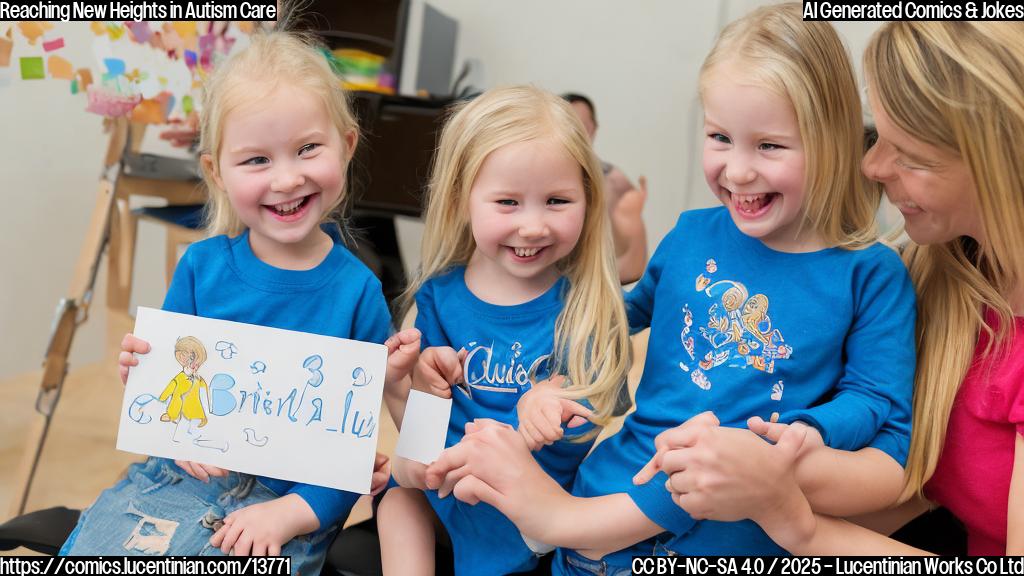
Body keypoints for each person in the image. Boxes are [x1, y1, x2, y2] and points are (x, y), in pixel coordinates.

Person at [422, 4, 917, 572]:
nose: (737, 171)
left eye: (769, 146)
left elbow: (877, 402)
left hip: (728, 535)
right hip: (602, 509)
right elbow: (613, 319)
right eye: (719, 137)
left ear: (832, 140)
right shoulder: (690, 234)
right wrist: (554, 384)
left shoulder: (871, 273)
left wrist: (810, 430)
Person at [647, 20, 1024, 556]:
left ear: (999, 166)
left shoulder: (877, 275)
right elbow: (917, 486)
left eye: (909, 155)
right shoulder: (937, 269)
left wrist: (789, 516)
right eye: (878, 137)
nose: (869, 167)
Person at [59, 30, 420, 574]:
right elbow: (169, 391)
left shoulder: (359, 291)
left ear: (346, 147)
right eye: (256, 160)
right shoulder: (200, 268)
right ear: (217, 173)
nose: (286, 177)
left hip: (285, 507)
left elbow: (347, 454)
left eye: (307, 149)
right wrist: (143, 376)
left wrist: (292, 514)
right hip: (174, 481)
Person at [376, 85, 632, 576]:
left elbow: (592, 419)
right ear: (462, 200)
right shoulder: (438, 298)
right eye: (508, 202)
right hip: (447, 492)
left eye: (557, 201)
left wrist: (553, 404)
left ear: (587, 198)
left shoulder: (587, 306)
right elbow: (419, 440)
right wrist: (408, 387)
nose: (533, 226)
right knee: (398, 503)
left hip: (535, 506)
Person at [563, 93, 648, 284]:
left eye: (582, 125)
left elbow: (632, 265)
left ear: (593, 128)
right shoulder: (541, 174)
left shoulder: (613, 179)